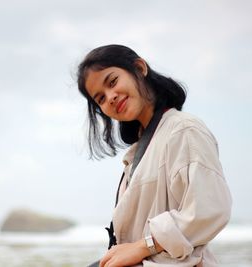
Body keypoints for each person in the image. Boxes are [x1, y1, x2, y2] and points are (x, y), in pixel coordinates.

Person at [76, 44, 232, 267]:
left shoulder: (184, 130)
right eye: (100, 98)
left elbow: (209, 209)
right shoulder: (140, 149)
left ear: (139, 68)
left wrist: (143, 247)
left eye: (112, 82)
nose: (110, 97)